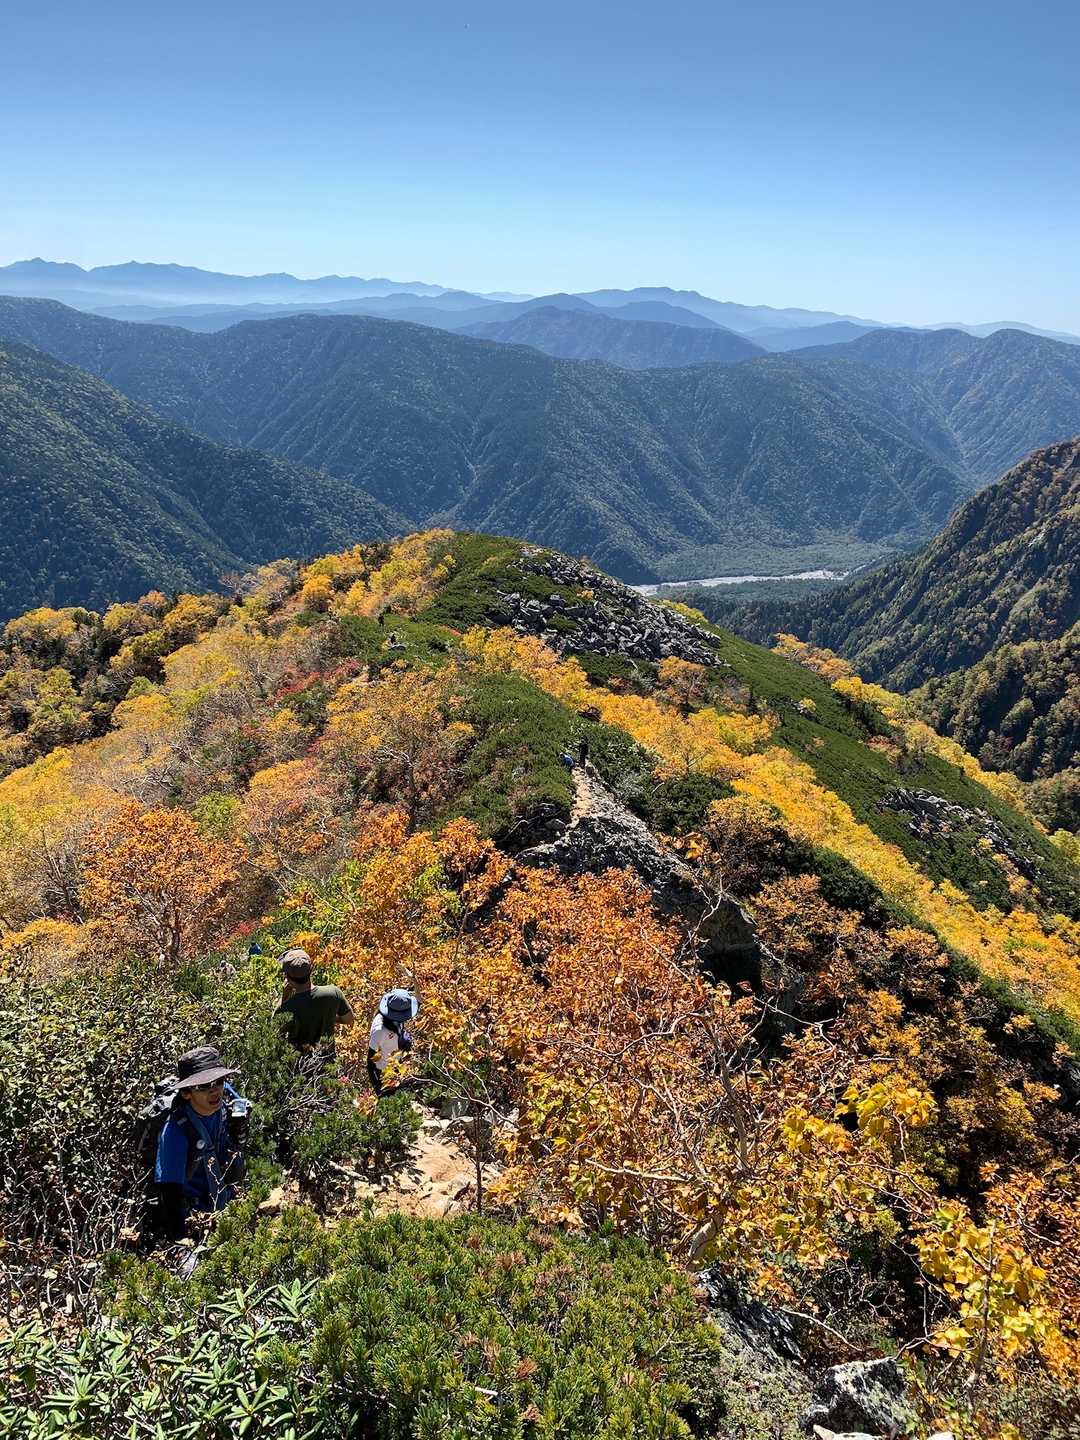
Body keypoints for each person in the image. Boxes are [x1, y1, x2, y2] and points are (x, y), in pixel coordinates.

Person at [154, 1046, 250, 1241]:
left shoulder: (226, 1098)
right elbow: (169, 1193)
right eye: (203, 1086)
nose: (214, 1091)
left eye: (219, 1081)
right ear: (186, 1093)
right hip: (197, 1217)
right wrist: (182, 1241)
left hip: (228, 1200)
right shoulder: (175, 1131)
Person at [276, 948, 355, 1056]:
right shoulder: (333, 992)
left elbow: (275, 1030)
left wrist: (284, 997)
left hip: (301, 1064)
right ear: (311, 970)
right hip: (328, 1061)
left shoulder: (288, 1007)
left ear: (287, 978)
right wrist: (328, 1016)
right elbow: (349, 1019)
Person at [368, 989, 419, 1095]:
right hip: (385, 1073)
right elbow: (370, 1062)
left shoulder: (396, 1020)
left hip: (397, 1065)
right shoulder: (379, 1030)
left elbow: (419, 1001)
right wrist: (378, 1088)